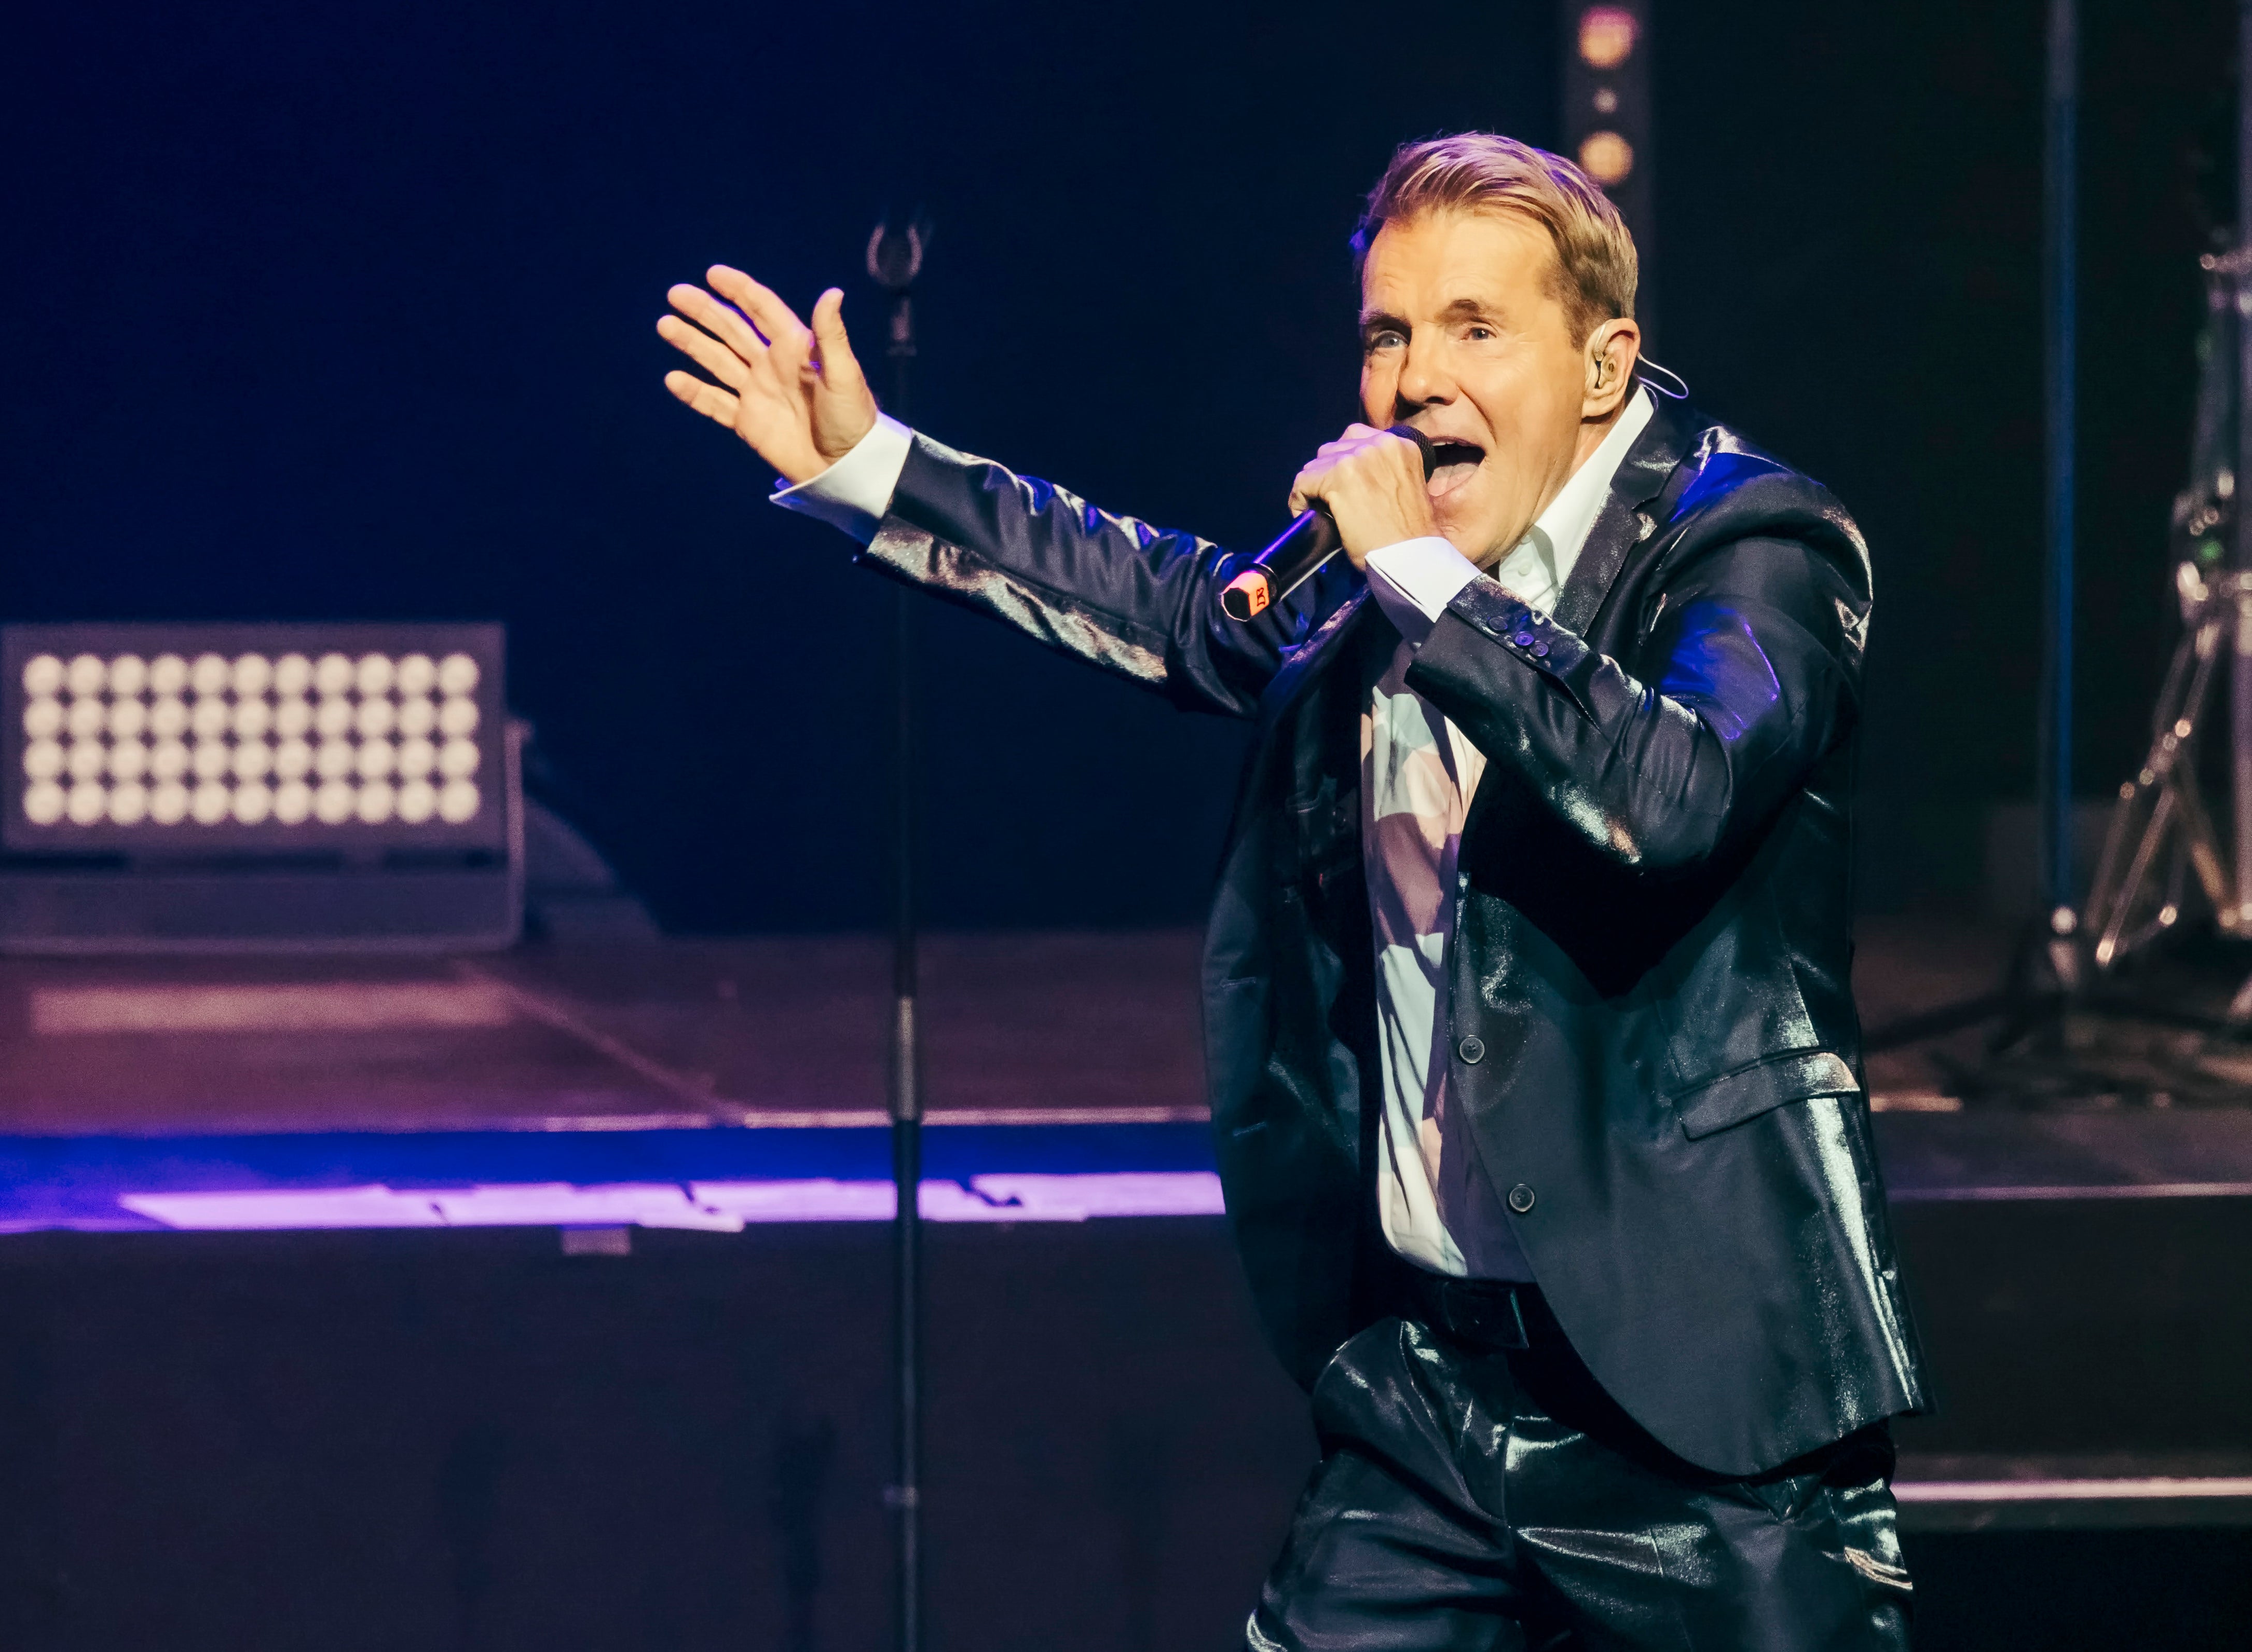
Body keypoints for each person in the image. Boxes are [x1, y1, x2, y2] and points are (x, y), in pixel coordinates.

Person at [658, 132, 1924, 1650]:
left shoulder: (1754, 543)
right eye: (1389, 334)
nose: (1416, 381)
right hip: (1429, 1397)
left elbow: (1670, 795)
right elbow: (1182, 608)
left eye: (1475, 329)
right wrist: (870, 464)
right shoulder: (1384, 565)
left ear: (1602, 367)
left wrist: (1427, 583)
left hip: (1703, 1407)